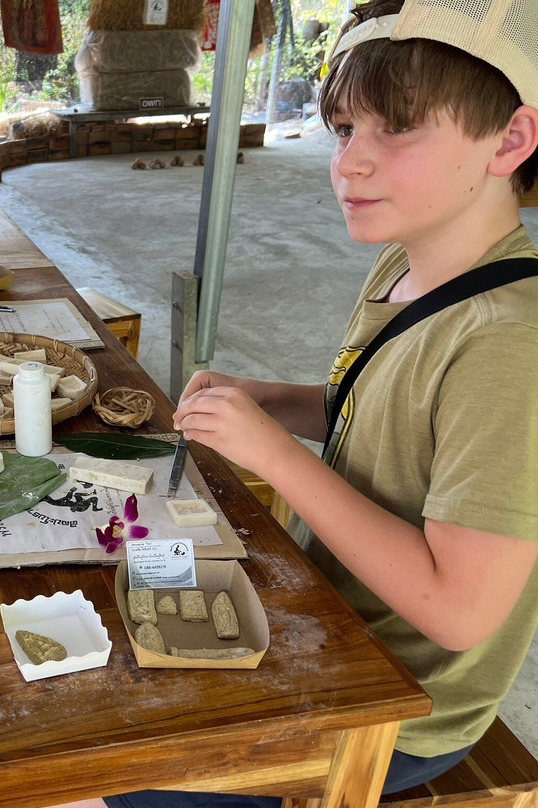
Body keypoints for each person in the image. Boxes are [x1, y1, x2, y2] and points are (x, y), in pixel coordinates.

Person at [48, 1, 538, 807]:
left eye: (399, 129)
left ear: (510, 141)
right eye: (345, 130)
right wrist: (266, 401)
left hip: (395, 708)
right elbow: (376, 413)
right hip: (330, 622)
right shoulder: (406, 265)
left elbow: (458, 611)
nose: (349, 163)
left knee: (75, 776)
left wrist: (272, 455)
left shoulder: (508, 341)